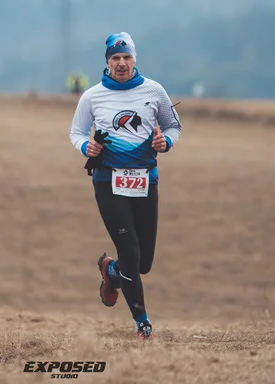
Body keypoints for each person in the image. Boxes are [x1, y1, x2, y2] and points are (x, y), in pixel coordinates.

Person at [68, 32, 182, 341]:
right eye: (115, 58)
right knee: (130, 251)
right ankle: (142, 323)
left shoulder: (154, 91)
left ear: (134, 59)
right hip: (108, 181)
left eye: (126, 57)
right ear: (107, 62)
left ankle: (113, 273)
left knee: (143, 263)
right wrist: (85, 148)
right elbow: (76, 131)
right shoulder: (92, 96)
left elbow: (173, 125)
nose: (121, 63)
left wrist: (166, 140)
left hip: (146, 180)